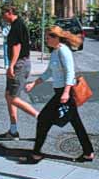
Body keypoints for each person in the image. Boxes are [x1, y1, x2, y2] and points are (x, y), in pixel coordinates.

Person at [23, 25, 94, 164]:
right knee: (76, 123)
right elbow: (49, 72)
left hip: (64, 93)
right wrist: (34, 83)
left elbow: (70, 72)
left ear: (56, 38)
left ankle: (36, 153)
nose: (46, 40)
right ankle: (88, 152)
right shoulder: (55, 51)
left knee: (43, 119)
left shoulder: (63, 51)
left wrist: (66, 92)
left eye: (48, 37)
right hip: (61, 92)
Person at [0, 5, 39, 140]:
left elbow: (17, 47)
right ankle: (13, 130)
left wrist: (11, 66)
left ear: (9, 12)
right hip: (19, 63)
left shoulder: (17, 25)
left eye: (3, 14)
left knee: (13, 98)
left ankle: (40, 117)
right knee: (8, 95)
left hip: (19, 64)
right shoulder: (18, 24)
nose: (2, 17)